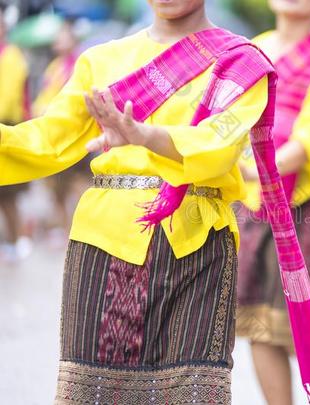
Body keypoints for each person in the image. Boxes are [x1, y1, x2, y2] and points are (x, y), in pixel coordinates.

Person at [0, 1, 277, 403]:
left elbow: (219, 144)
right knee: (91, 393)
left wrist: (145, 136)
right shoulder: (101, 61)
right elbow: (46, 141)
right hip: (104, 241)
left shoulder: (240, 63)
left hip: (199, 243)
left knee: (194, 393)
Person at [235, 1, 310, 404]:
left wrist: (260, 168)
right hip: (255, 201)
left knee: (294, 321)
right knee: (256, 320)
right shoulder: (253, 51)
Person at [33, 18, 89, 239]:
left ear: (73, 38)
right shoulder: (54, 67)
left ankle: (81, 229)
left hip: (76, 133)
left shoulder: (81, 64)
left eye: (62, 35)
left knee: (80, 184)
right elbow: (45, 95)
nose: (57, 40)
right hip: (55, 133)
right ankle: (67, 229)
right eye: (57, 37)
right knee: (56, 189)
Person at [0, 2, 30, 263]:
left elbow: (8, 100)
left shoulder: (12, 56)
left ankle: (15, 241)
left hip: (7, 127)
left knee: (8, 195)